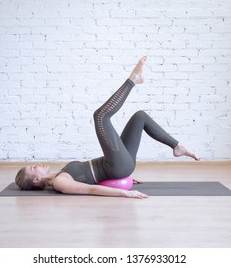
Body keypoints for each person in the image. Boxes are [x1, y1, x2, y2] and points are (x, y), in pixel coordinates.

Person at [15, 56, 200, 199]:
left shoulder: (61, 173)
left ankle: (176, 146)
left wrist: (121, 180)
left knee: (140, 117)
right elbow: (91, 189)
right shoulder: (60, 182)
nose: (37, 164)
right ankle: (133, 80)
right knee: (100, 116)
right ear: (37, 180)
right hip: (117, 166)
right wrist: (125, 193)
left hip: (119, 166)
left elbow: (92, 177)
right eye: (33, 168)